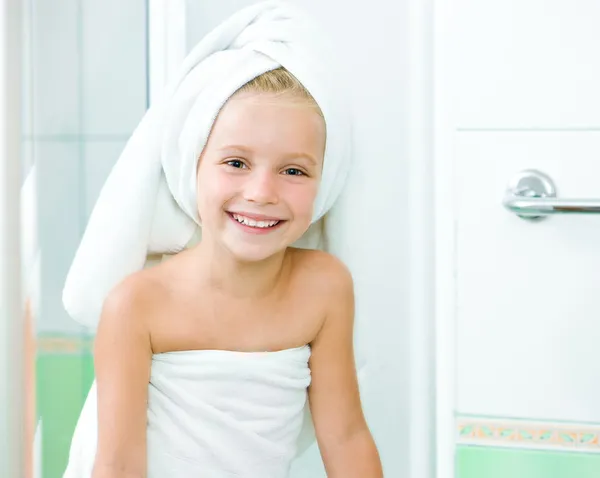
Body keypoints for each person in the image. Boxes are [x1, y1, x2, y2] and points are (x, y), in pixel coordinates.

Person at [62, 3, 382, 477]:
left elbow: (347, 436)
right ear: (193, 166)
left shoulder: (324, 288)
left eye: (293, 170)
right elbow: (119, 464)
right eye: (236, 163)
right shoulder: (138, 304)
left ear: (326, 180)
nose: (261, 193)